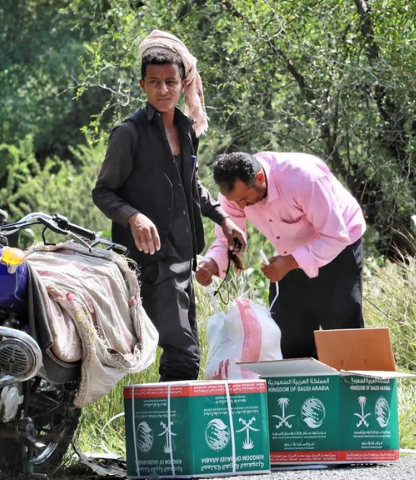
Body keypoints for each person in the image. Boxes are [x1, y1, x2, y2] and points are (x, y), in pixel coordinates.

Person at [92, 30, 246, 382]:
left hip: (182, 256)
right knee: (183, 352)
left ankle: (171, 431)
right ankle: (173, 431)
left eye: (171, 82)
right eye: (155, 82)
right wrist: (134, 216)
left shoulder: (186, 128)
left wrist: (223, 219)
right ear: (143, 85)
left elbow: (190, 185)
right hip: (148, 261)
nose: (164, 90)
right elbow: (103, 192)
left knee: (183, 351)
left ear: (182, 83)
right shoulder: (128, 134)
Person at [195, 151, 367, 360]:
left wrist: (292, 262)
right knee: (289, 334)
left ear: (259, 178)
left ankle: (356, 390)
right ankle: (300, 391)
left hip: (338, 245)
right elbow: (228, 240)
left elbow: (335, 235)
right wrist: (212, 262)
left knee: (343, 331)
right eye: (233, 201)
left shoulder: (304, 178)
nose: (239, 207)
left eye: (244, 199)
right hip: (288, 252)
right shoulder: (233, 194)